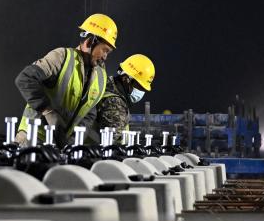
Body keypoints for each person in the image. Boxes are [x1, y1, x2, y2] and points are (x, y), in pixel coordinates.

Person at [13, 13, 118, 146]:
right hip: (33, 138)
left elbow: (89, 113)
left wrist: (73, 140)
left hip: (60, 146)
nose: (105, 57)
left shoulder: (101, 77)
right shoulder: (62, 57)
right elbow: (25, 79)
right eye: (105, 50)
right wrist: (48, 111)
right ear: (90, 42)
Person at [93, 54, 156, 137]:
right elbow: (112, 143)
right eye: (139, 86)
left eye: (143, 89)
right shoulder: (114, 103)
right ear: (126, 79)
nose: (140, 91)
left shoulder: (108, 85)